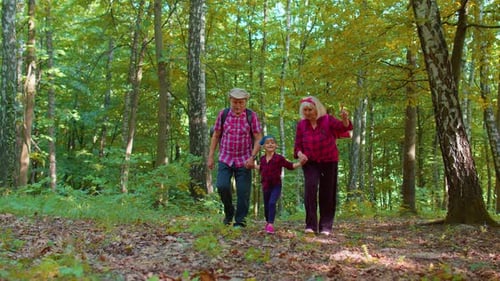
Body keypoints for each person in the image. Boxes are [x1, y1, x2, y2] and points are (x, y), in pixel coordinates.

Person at [294, 96, 353, 236]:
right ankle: (310, 226)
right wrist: (300, 154)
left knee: (327, 192)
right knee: (310, 189)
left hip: (329, 160)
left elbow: (344, 127)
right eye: (305, 110)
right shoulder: (302, 125)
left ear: (317, 108)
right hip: (310, 162)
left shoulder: (327, 120)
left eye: (310, 109)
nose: (308, 112)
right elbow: (297, 146)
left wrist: (345, 118)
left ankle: (326, 226)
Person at [208, 88, 263, 228]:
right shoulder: (223, 114)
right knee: (222, 186)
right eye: (235, 102)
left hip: (244, 159)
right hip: (225, 157)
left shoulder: (252, 116)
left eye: (241, 102)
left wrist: (252, 157)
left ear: (245, 102)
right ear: (230, 101)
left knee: (243, 192)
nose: (237, 105)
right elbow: (216, 135)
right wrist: (210, 157)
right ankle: (229, 212)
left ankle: (240, 221)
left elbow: (258, 138)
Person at [255, 135, 302, 234]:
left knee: (272, 203)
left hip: (276, 185)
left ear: (276, 145)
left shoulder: (279, 158)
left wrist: (300, 163)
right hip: (265, 185)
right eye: (267, 143)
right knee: (267, 206)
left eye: (272, 142)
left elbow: (290, 166)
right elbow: (261, 168)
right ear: (264, 146)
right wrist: (253, 166)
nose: (270, 144)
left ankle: (271, 224)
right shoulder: (262, 159)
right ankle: (268, 222)